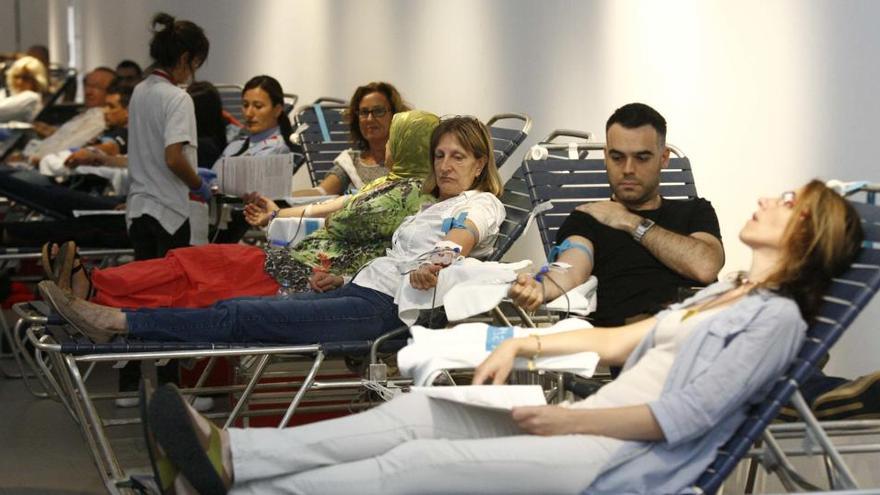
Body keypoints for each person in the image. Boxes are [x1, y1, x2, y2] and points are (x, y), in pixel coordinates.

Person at [135, 179, 862, 494]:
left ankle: (244, 485)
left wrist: (565, 415)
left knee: (415, 466)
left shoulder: (776, 320)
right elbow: (620, 342)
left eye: (790, 201)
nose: (770, 198)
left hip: (616, 456)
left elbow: (681, 418)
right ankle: (236, 454)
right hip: (594, 423)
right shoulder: (728, 291)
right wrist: (521, 346)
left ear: (808, 234)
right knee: (417, 412)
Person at [39, 116, 504, 347]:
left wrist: (435, 263)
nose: (444, 166)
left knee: (241, 315)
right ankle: (102, 314)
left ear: (480, 163)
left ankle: (115, 322)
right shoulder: (427, 203)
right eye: (439, 155)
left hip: (386, 313)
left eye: (457, 157)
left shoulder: (482, 203)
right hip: (360, 288)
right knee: (232, 307)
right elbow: (390, 253)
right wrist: (343, 277)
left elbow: (462, 237)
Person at [60, 110, 439, 308]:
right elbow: (328, 206)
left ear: (406, 144)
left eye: (395, 135)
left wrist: (296, 219)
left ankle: (97, 294)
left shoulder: (408, 199)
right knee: (191, 261)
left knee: (198, 281)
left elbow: (339, 217)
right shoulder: (385, 185)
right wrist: (276, 214)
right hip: (289, 260)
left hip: (300, 276)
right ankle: (98, 284)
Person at [508, 103, 725, 327]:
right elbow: (570, 268)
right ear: (606, 157)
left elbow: (706, 267)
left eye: (642, 158)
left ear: (664, 158)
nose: (628, 169)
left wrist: (631, 222)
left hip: (702, 331)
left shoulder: (695, 211)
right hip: (634, 341)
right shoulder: (588, 219)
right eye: (617, 157)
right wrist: (541, 287)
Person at [126, 12, 210, 261]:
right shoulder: (177, 97)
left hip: (138, 209)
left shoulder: (139, 91)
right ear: (185, 58)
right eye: (195, 65)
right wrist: (198, 184)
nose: (192, 72)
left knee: (146, 287)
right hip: (168, 213)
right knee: (169, 291)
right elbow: (173, 158)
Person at [207, 75, 300, 243]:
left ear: (278, 110)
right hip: (219, 216)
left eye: (258, 106)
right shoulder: (236, 144)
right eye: (245, 105)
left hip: (238, 222)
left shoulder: (280, 150)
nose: (249, 113)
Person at [293, 81, 410, 196]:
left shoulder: (410, 161)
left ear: (396, 115)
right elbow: (321, 192)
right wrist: (281, 199)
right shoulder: (351, 163)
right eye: (364, 112)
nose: (369, 119)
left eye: (378, 111)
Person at [0, 56, 48, 122]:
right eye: (16, 76)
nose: (20, 82)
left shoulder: (32, 97)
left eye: (26, 78)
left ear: (36, 81)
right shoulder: (3, 93)